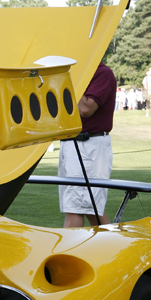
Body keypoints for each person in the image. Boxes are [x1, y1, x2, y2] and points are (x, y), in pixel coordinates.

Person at [58, 62, 116, 228]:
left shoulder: (101, 73)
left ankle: (66, 252)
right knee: (89, 207)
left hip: (88, 145)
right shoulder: (76, 70)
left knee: (76, 209)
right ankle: (110, 248)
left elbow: (85, 108)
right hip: (73, 144)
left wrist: (71, 79)